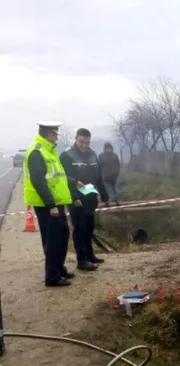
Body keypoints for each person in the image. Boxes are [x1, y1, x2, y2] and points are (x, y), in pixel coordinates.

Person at [23, 121, 74, 287]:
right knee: (53, 241)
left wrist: (74, 183)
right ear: (48, 134)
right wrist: (51, 205)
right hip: (47, 205)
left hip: (57, 202)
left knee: (63, 236)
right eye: (55, 134)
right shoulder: (37, 152)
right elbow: (38, 181)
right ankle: (52, 277)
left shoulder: (49, 150)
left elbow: (58, 177)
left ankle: (59, 269)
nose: (56, 138)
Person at [60, 128, 110, 270]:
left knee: (89, 228)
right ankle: (82, 261)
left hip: (90, 197)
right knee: (80, 230)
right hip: (76, 199)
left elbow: (98, 178)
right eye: (81, 141)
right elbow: (64, 179)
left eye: (87, 142)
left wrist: (104, 196)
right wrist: (74, 198)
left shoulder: (93, 155)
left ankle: (90, 255)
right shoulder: (67, 155)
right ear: (76, 139)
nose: (84, 145)